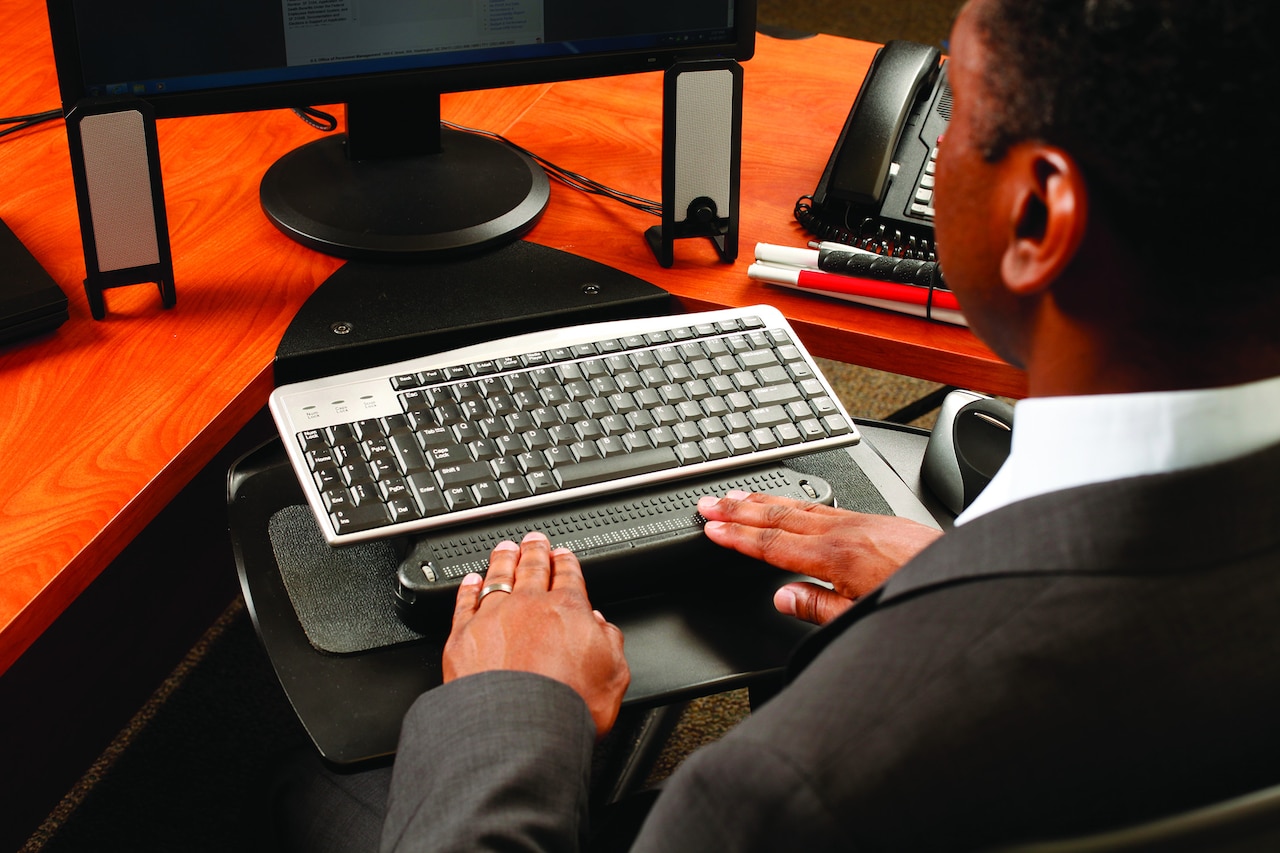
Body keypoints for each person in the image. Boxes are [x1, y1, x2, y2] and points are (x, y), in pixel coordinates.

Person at [284, 0, 1280, 849]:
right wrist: (953, 578)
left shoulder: (780, 790)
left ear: (1033, 221)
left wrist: (511, 711)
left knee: (322, 785)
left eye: (954, 112)